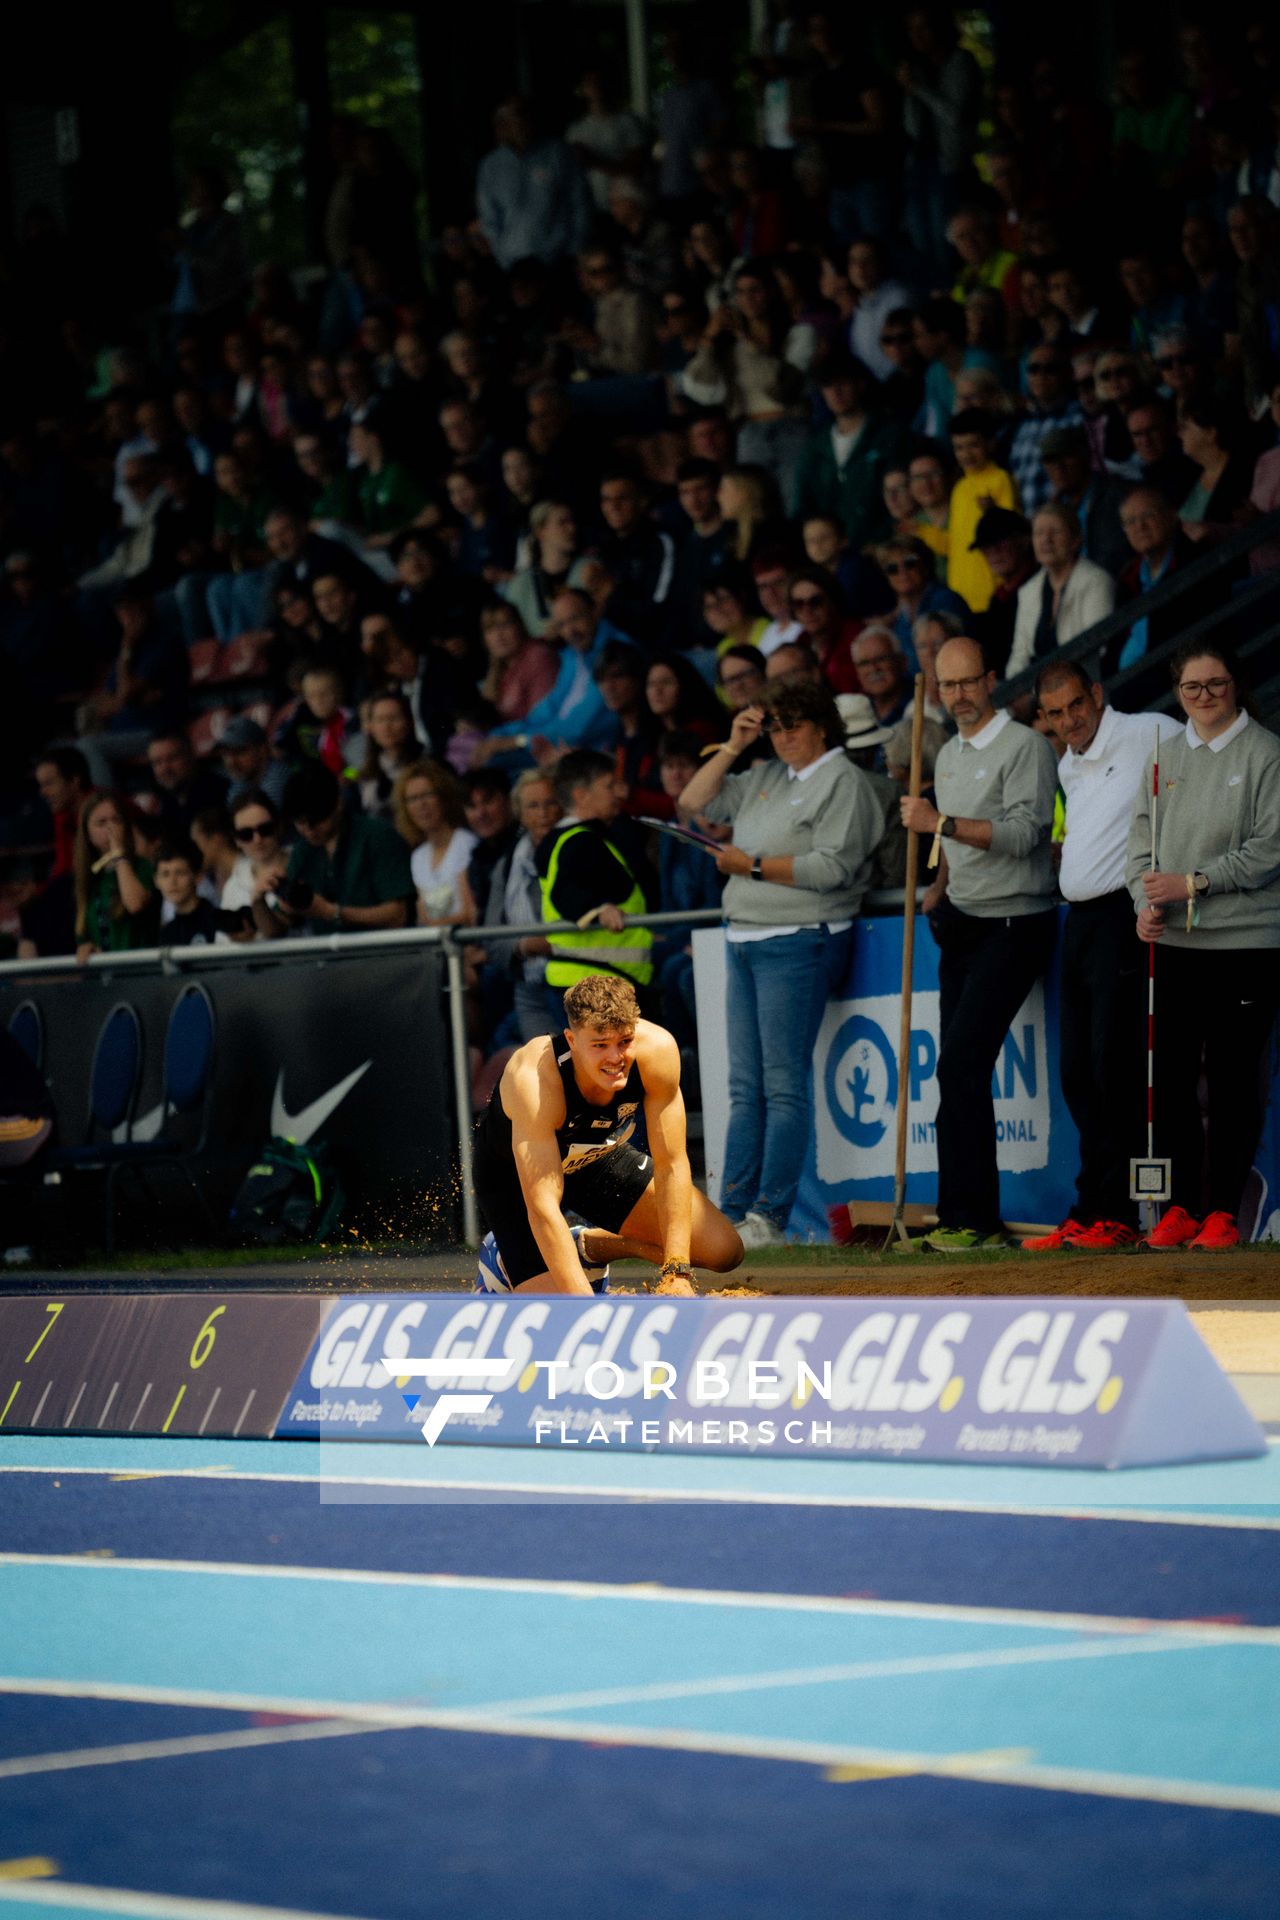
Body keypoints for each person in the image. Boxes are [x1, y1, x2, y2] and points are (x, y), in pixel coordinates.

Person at [677, 678, 883, 1246]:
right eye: (775, 725)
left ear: (823, 726)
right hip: (746, 936)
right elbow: (694, 804)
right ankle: (732, 1212)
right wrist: (733, 746)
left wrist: (755, 868)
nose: (783, 735)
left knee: (782, 1084)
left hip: (800, 938)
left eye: (794, 724)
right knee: (747, 1085)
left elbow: (834, 867)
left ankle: (770, 1216)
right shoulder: (766, 773)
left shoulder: (844, 780)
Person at [900, 636, 1058, 1249]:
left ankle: (979, 1222)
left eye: (967, 682)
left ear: (991, 679)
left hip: (1016, 922)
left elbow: (1024, 835)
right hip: (963, 920)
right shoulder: (949, 755)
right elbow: (957, 842)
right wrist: (940, 883)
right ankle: (956, 1216)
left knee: (963, 1065)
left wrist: (936, 822)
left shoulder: (1025, 747)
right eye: (947, 685)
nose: (958, 695)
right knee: (952, 1072)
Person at [1125, 643, 1280, 1251]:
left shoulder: (1267, 753)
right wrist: (1144, 904)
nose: (1205, 697)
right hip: (1178, 946)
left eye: (1216, 684)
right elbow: (1141, 845)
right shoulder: (1164, 755)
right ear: (1178, 693)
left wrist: (1192, 882)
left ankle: (1221, 1213)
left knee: (1235, 1080)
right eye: (1192, 688)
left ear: (1236, 685)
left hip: (1248, 942)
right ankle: (1182, 1208)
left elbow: (1271, 849)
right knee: (1170, 1082)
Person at [1023, 662, 1181, 1251]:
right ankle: (1095, 1207)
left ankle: (1112, 1213)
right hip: (1081, 920)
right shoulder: (1067, 762)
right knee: (1077, 1075)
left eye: (1075, 706)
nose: (1069, 721)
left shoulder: (1150, 732)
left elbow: (1201, 778)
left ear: (1096, 694)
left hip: (1125, 913)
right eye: (1056, 714)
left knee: (1112, 1068)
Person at [471, 971, 743, 1296]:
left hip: (594, 1156)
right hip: (515, 1179)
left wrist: (677, 1271)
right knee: (561, 1311)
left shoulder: (656, 1052)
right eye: (600, 1045)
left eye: (624, 1042)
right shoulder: (536, 1079)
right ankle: (503, 1260)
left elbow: (672, 1163)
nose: (615, 1058)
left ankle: (587, 1245)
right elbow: (543, 1207)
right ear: (572, 1040)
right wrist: (589, 1310)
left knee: (723, 1249)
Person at [538, 749, 656, 1001]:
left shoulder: (565, 838)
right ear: (581, 794)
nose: (618, 793)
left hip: (589, 979)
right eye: (609, 785)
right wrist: (598, 909)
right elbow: (564, 891)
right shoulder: (581, 841)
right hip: (597, 986)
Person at [267, 763, 413, 937]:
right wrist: (259, 900)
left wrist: (331, 912)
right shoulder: (303, 850)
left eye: (316, 820)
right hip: (329, 959)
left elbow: (398, 916)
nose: (308, 829)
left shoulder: (377, 836)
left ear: (338, 803)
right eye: (299, 822)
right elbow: (277, 926)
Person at [1005, 503, 1116, 679]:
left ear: (1076, 539)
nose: (1046, 539)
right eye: (1039, 533)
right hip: (1036, 689)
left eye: (1055, 532)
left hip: (1083, 684)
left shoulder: (1096, 581)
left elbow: (1096, 648)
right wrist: (1014, 691)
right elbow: (1019, 654)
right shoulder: (1028, 591)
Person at [945, 410, 1021, 615]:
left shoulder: (1001, 479)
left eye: (973, 445)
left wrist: (993, 511)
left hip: (993, 594)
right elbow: (953, 543)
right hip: (960, 596)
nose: (966, 454)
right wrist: (920, 531)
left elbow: (1013, 532)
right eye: (959, 447)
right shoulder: (959, 488)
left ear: (990, 444)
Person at [73, 789, 159, 964]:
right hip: (107, 978)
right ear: (87, 833)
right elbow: (84, 929)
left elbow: (135, 904)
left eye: (116, 820)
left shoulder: (142, 867)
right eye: (101, 822)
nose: (110, 828)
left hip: (140, 972)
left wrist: (119, 855)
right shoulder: (90, 876)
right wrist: (86, 945)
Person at [395, 760, 477, 928]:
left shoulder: (465, 843)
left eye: (427, 795)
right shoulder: (418, 857)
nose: (421, 805)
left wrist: (432, 927)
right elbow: (423, 917)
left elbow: (470, 914)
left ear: (443, 797)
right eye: (413, 799)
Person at [354, 688, 420, 819]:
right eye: (380, 720)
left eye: (394, 718)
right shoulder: (366, 764)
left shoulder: (425, 761)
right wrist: (349, 774)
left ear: (409, 722)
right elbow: (349, 772)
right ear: (371, 726)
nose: (386, 726)